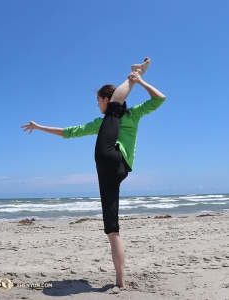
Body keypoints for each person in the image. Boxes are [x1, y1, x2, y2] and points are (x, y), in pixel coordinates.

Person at [21, 58, 166, 288]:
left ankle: (135, 73)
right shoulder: (105, 122)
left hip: (112, 157)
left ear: (105, 99)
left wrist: (139, 79)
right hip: (115, 171)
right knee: (112, 229)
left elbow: (160, 98)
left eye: (98, 100)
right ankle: (120, 281)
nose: (97, 104)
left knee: (114, 111)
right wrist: (39, 127)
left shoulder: (125, 114)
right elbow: (70, 132)